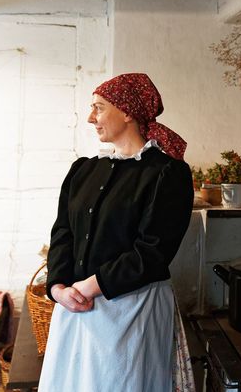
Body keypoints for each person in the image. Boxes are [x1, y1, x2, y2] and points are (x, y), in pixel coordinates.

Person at [38, 73, 195, 392]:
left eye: (99, 107)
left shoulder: (166, 172)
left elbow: (153, 252)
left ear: (127, 111)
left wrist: (90, 287)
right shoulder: (83, 169)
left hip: (131, 311)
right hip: (74, 308)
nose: (91, 117)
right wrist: (57, 288)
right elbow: (63, 233)